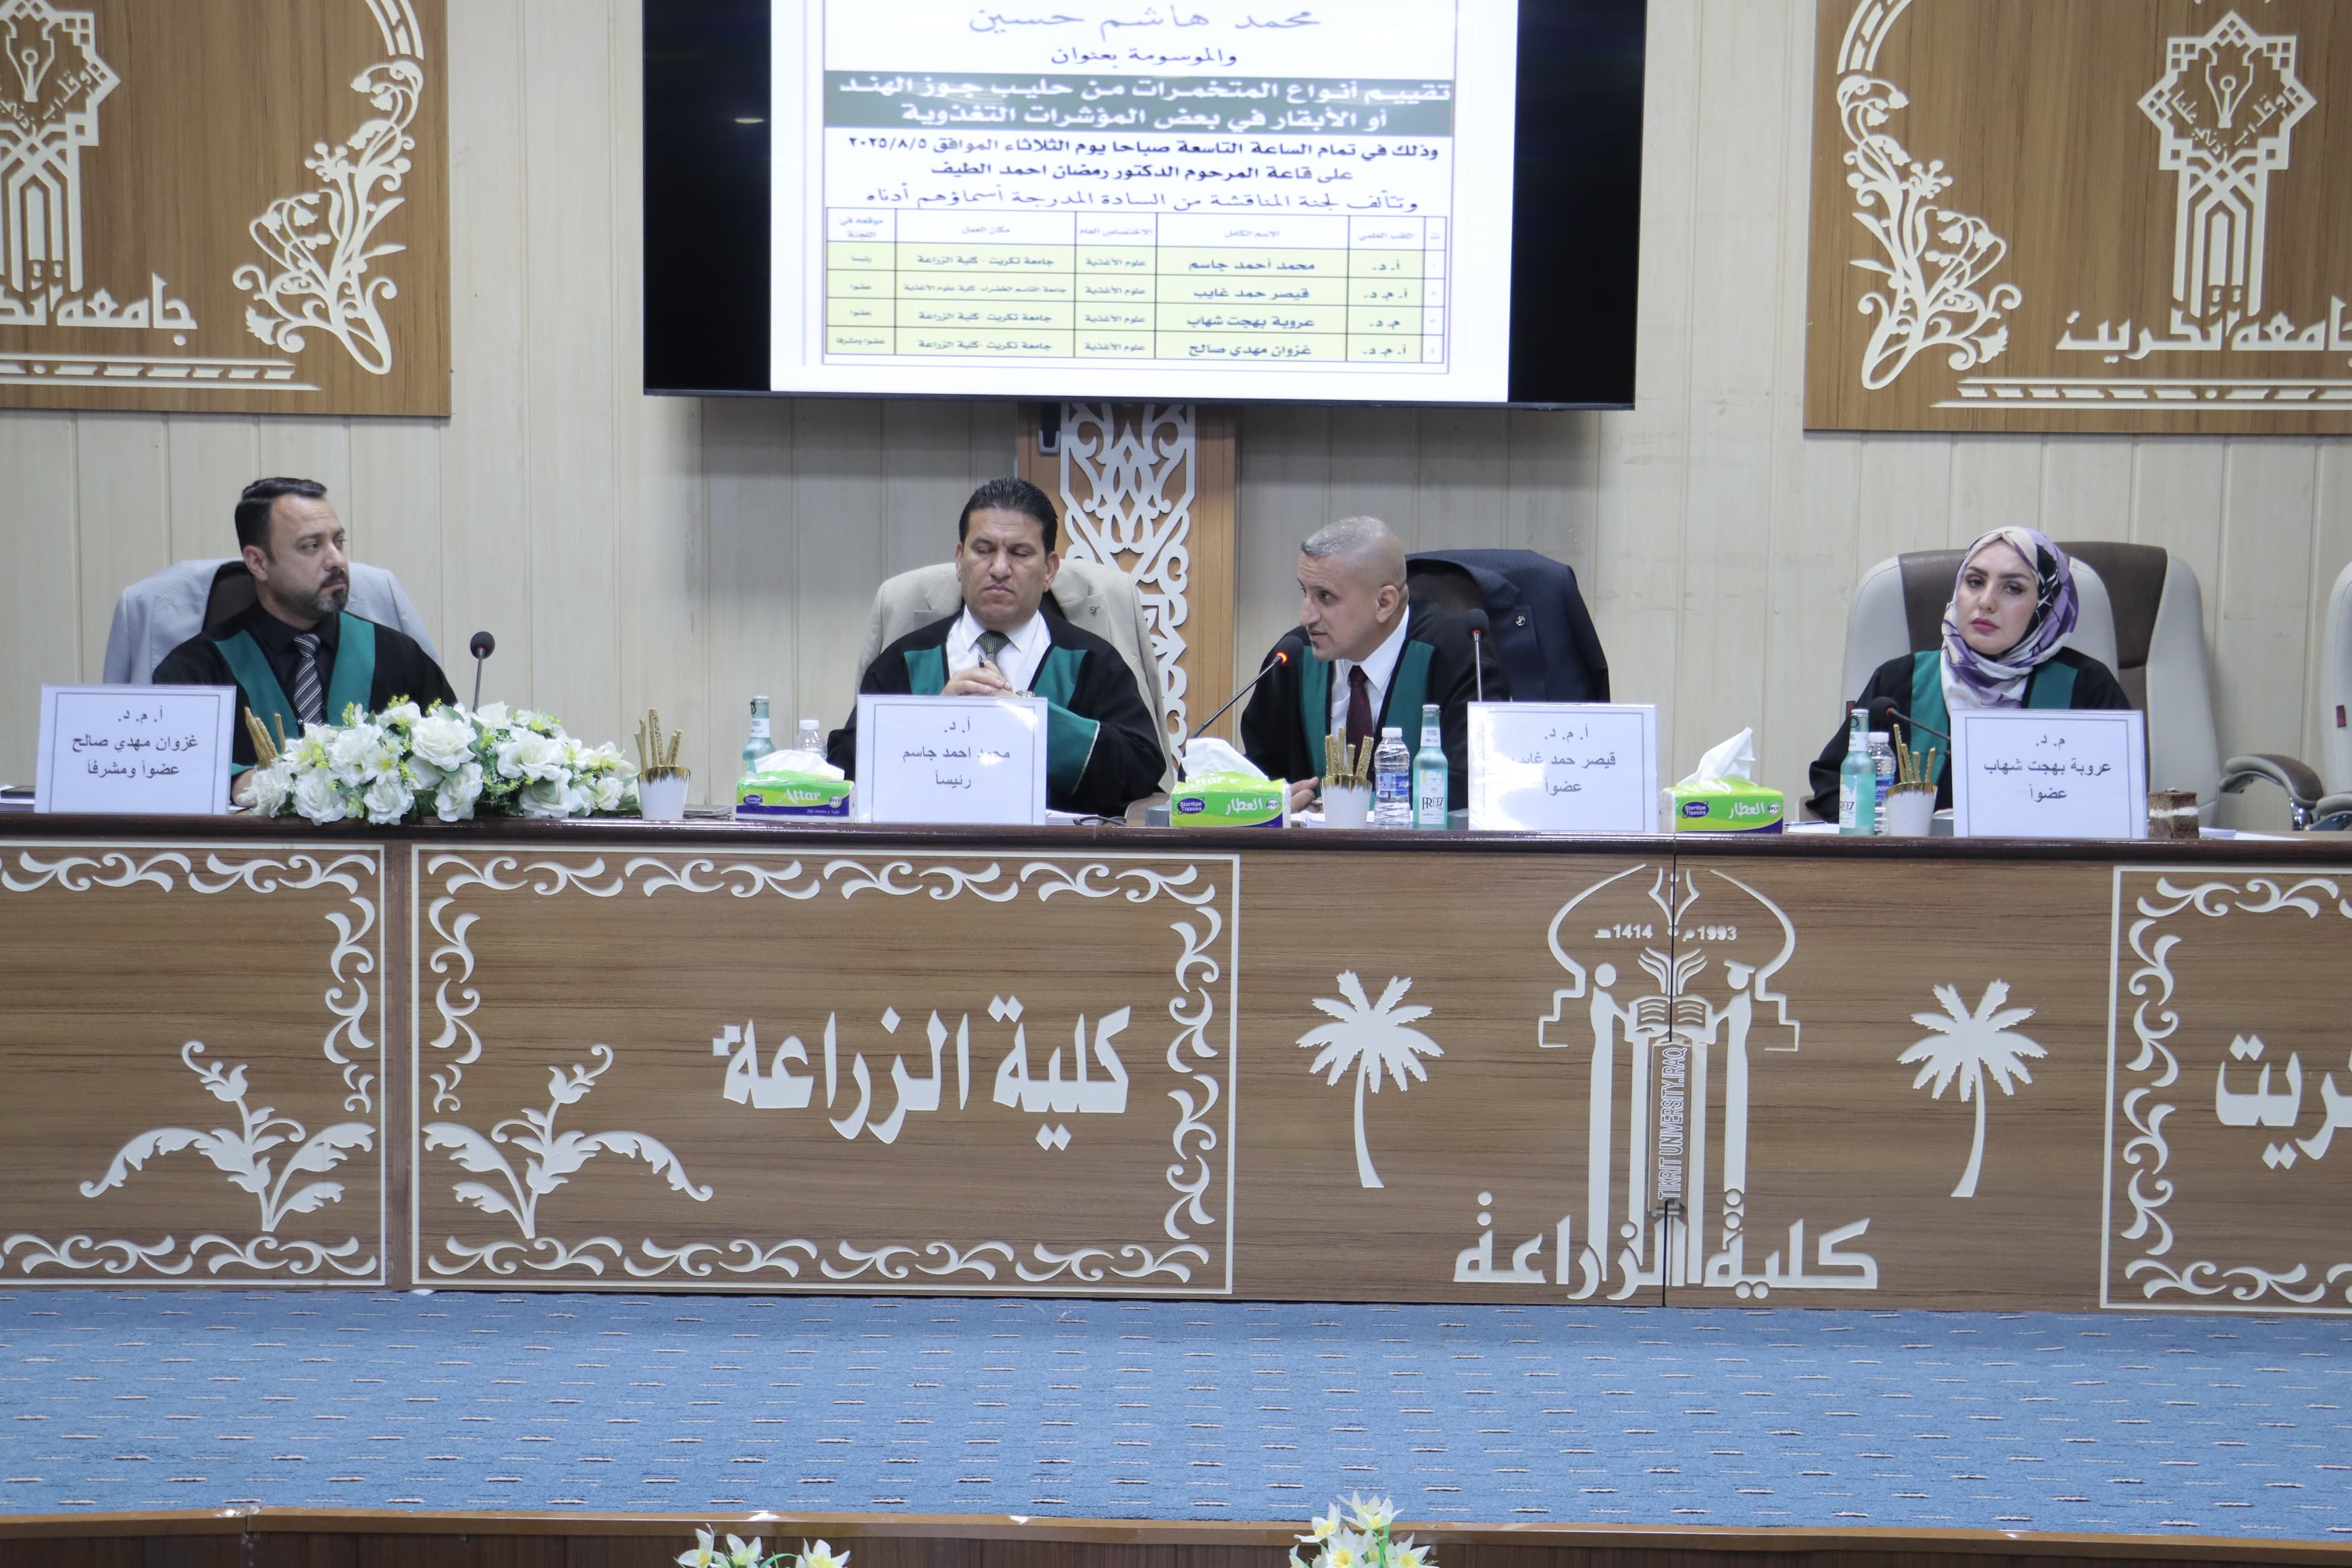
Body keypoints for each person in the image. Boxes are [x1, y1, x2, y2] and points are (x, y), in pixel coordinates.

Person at [826, 478, 1165, 817]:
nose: (1000, 569)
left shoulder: (1091, 661)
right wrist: (933, 722)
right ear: (959, 560)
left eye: (1020, 553)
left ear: (1049, 570)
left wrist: (1031, 722)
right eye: (983, 550)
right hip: (927, 847)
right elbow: (844, 767)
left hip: (1055, 850)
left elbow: (1141, 769)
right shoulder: (905, 660)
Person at [1805, 526, 2132, 818]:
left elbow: (2121, 799)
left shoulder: (2086, 686)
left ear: (2046, 606)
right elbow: (1833, 785)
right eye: (1974, 582)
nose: (1986, 602)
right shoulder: (1899, 682)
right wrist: (1894, 823)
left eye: (2013, 588)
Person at [153, 478, 456, 784]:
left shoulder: (398, 657)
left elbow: (454, 757)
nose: (336, 560)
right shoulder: (195, 672)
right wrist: (232, 782)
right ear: (258, 563)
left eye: (338, 542)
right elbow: (170, 776)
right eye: (312, 546)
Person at [1238, 516, 1506, 813]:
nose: (1306, 617)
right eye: (1306, 593)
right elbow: (1261, 771)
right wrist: (1275, 801)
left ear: (1384, 603)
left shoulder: (1459, 657)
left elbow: (1473, 785)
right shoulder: (1293, 659)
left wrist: (1354, 808)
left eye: (1325, 597)